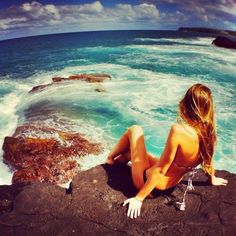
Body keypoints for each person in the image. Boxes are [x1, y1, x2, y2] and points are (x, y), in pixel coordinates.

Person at [106, 83, 228, 219]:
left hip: (150, 185)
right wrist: (212, 178)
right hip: (170, 186)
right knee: (130, 154)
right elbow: (208, 160)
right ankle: (123, 158)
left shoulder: (179, 130)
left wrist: (139, 198)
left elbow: (160, 171)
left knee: (135, 130)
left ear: (186, 104)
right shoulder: (209, 134)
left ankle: (109, 160)